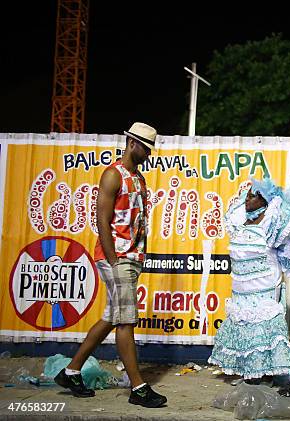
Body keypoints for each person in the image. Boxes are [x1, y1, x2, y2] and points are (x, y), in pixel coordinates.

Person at [54, 122, 167, 408]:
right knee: (126, 320)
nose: (148, 155)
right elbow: (101, 221)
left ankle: (71, 372)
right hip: (116, 258)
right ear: (132, 143)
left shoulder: (139, 179)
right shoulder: (112, 175)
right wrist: (114, 260)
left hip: (131, 258)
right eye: (146, 148)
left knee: (111, 318)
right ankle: (138, 388)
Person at [209, 177, 290, 384]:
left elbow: (289, 252)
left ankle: (265, 373)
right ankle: (249, 370)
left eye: (253, 196)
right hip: (241, 287)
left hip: (264, 286)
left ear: (264, 200)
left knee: (262, 328)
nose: (247, 199)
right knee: (244, 325)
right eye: (247, 195)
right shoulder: (239, 221)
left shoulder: (272, 224)